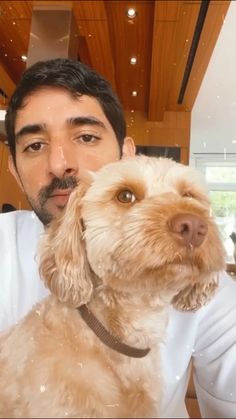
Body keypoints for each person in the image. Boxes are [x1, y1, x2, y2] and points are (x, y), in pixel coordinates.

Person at [0, 58, 235, 418]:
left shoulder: (203, 277)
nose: (60, 163)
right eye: (34, 145)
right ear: (14, 170)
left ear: (128, 153)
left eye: (86, 136)